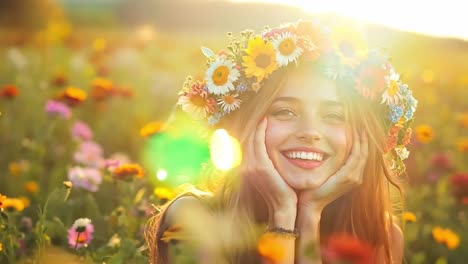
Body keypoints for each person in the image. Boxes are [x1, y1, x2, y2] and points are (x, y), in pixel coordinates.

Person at [145, 19, 418, 264]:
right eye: (285, 111)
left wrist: (310, 216)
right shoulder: (194, 218)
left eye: (334, 115)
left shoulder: (379, 234)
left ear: (361, 137)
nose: (310, 131)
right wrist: (283, 217)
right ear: (246, 125)